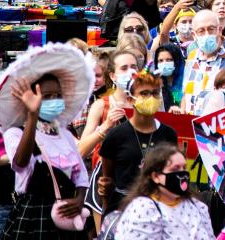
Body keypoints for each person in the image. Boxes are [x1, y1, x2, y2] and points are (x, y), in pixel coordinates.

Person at [0, 72, 89, 239]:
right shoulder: (15, 133)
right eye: (47, 96)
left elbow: (81, 176)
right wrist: (32, 115)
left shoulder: (65, 134)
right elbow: (20, 163)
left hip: (67, 214)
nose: (54, 100)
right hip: (35, 214)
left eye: (58, 96)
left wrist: (79, 200)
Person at [98, 70, 178, 215]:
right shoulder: (116, 136)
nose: (151, 98)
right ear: (131, 99)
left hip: (160, 209)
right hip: (123, 209)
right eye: (144, 93)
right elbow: (107, 180)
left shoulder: (169, 134)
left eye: (155, 93)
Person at [111, 144, 214, 240]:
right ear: (155, 176)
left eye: (184, 168)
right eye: (175, 169)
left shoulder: (197, 206)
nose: (182, 173)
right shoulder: (144, 208)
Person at [78, 49, 141, 161]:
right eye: (124, 68)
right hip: (107, 173)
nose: (130, 72)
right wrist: (106, 126)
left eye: (134, 67)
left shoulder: (148, 103)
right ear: (112, 76)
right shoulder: (101, 105)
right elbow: (81, 151)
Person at [180, 9, 225, 114]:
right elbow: (186, 93)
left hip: (221, 123)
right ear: (194, 35)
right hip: (193, 124)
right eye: (201, 31)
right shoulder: (192, 56)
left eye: (211, 29)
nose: (207, 34)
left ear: (220, 30)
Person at [153, 44, 185, 112]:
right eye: (160, 61)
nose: (164, 64)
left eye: (169, 60)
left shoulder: (186, 81)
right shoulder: (155, 84)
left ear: (177, 61)